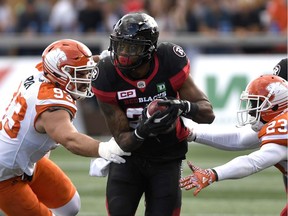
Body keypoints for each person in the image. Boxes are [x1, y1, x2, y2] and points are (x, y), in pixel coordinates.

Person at [91, 12, 215, 215]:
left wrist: (182, 106)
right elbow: (122, 139)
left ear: (149, 48)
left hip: (167, 156)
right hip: (127, 157)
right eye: (120, 45)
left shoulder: (168, 59)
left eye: (132, 47)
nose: (123, 53)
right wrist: (143, 130)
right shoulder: (106, 74)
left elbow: (208, 113)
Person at [0, 39, 130, 216]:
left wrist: (103, 59)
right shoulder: (51, 104)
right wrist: (104, 149)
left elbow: (72, 63)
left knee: (70, 205)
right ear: (60, 74)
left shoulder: (43, 71)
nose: (86, 79)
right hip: (4, 176)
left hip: (27, 161)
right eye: (81, 74)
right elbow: (70, 139)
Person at [179, 74, 288, 216]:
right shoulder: (279, 120)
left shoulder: (282, 126)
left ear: (276, 106)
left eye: (256, 104)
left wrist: (213, 174)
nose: (250, 110)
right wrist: (192, 134)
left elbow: (253, 163)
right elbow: (240, 139)